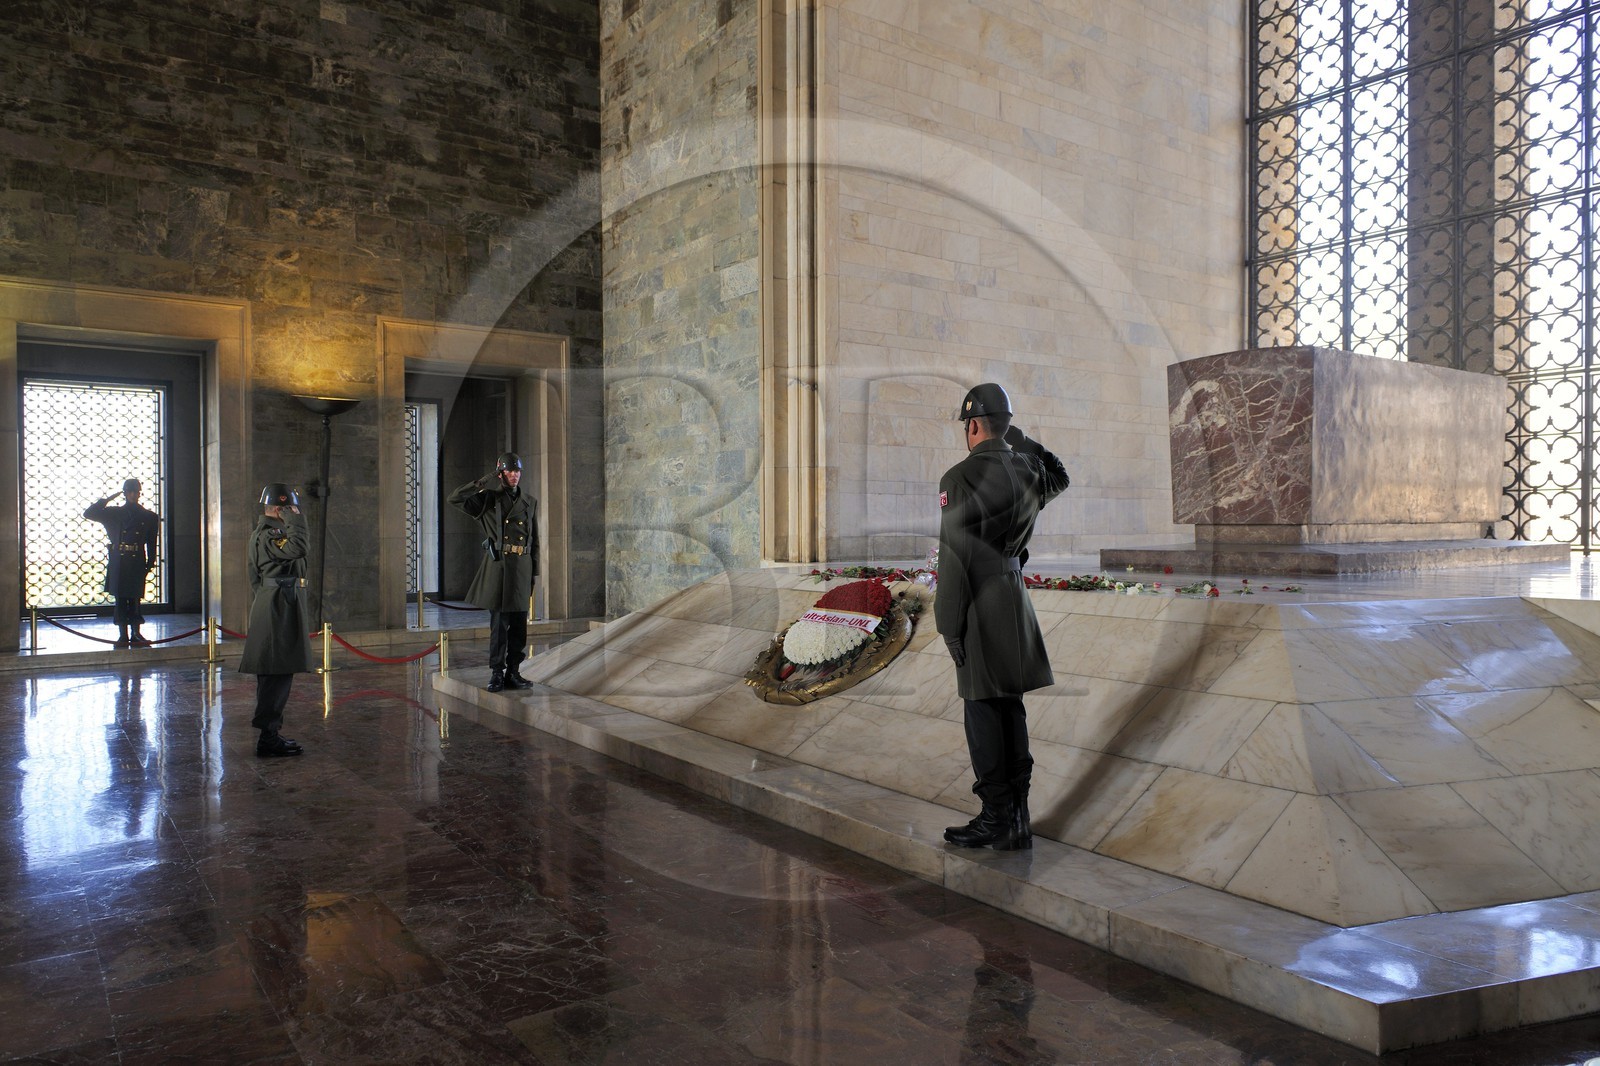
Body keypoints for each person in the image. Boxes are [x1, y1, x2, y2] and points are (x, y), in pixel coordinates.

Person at [936, 383, 1069, 850]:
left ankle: (996, 817)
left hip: (978, 601)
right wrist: (1018, 440)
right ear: (1006, 425)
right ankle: (1017, 819)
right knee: (1009, 707)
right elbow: (1062, 474)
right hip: (1015, 599)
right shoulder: (1029, 471)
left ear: (972, 425)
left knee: (982, 711)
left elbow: (954, 558)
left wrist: (947, 623)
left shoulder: (959, 478)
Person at [449, 451, 538, 693]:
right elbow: (455, 499)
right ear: (501, 473)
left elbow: (535, 540)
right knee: (499, 626)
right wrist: (483, 480)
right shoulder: (487, 499)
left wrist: (534, 573)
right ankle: (497, 674)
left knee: (519, 625)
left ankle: (514, 673)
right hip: (498, 568)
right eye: (509, 471)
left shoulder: (529, 502)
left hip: (521, 567)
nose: (514, 475)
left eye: (517, 471)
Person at [238, 483, 311, 757]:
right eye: (291, 508)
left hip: (278, 603)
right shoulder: (271, 534)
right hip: (277, 607)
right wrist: (293, 518)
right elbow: (299, 547)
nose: (296, 512)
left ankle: (271, 734)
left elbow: (256, 579)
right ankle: (268, 738)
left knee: (277, 673)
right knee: (274, 674)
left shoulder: (270, 533)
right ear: (280, 508)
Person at [83, 478, 160, 647]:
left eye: (136, 491)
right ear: (124, 493)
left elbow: (151, 542)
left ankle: (136, 632)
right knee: (120, 598)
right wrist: (107, 499)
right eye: (130, 491)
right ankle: (122, 634)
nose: (133, 494)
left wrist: (151, 561)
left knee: (134, 597)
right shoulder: (113, 513)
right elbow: (88, 513)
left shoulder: (149, 516)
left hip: (136, 559)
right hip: (119, 558)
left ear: (139, 493)